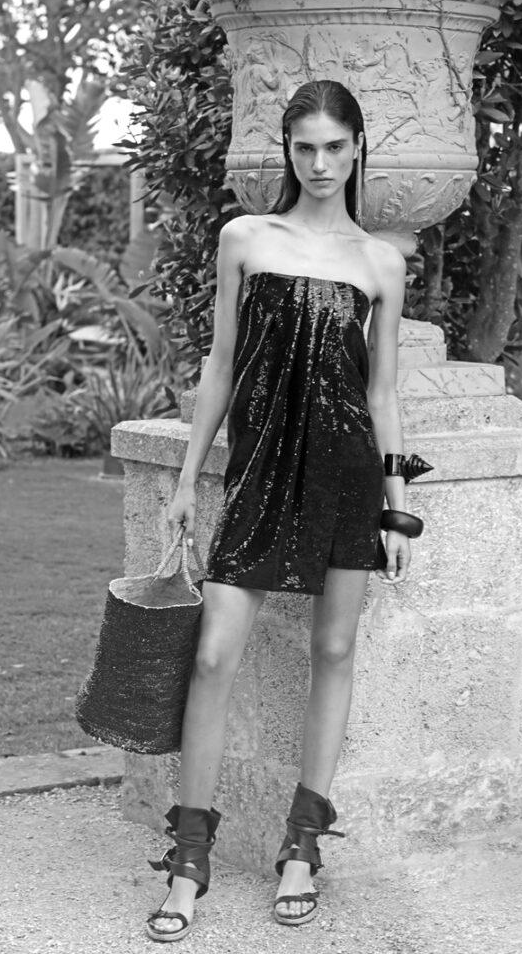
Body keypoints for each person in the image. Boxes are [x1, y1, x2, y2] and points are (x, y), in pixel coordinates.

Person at [145, 79, 422, 942]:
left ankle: (302, 848)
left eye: (335, 146)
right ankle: (188, 857)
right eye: (305, 147)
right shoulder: (246, 238)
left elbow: (382, 392)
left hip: (344, 473)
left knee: (333, 650)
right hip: (260, 469)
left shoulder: (380, 261)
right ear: (287, 149)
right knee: (212, 657)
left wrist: (397, 506)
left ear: (357, 148)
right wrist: (186, 481)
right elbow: (220, 365)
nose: (320, 163)